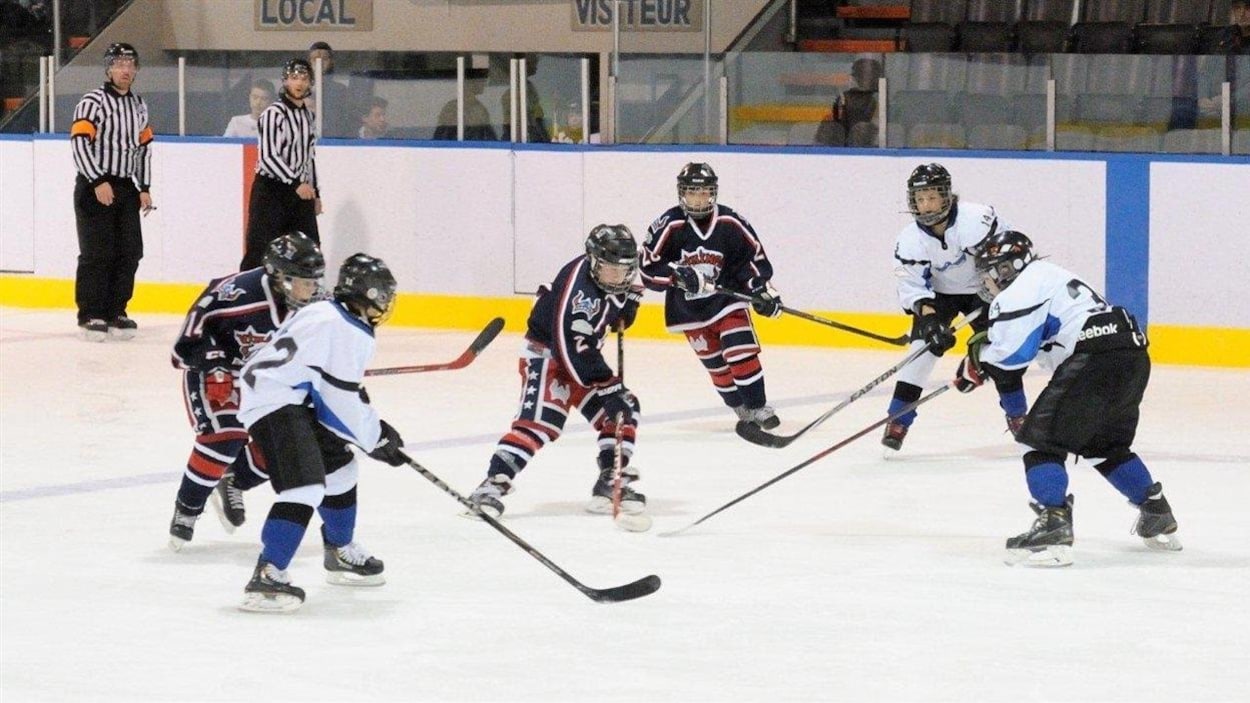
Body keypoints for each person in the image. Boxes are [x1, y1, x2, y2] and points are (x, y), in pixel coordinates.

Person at [954, 230, 1181, 567]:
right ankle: (1156, 512)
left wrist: (979, 360)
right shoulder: (1052, 276)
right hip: (1131, 354)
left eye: (991, 271)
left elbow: (1011, 357)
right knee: (1105, 446)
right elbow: (1034, 345)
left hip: (1095, 358)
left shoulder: (1019, 290)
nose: (987, 281)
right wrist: (985, 357)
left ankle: (1053, 527)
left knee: (1040, 444)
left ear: (1009, 268)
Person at [237, 253, 406, 612]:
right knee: (305, 487)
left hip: (287, 394)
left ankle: (339, 551)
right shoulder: (349, 330)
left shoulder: (325, 311)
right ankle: (268, 574)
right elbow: (337, 402)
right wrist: (376, 437)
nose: (387, 302)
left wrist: (368, 429)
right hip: (275, 400)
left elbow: (332, 394)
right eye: (383, 294)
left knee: (341, 469)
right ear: (369, 295)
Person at [467, 225, 643, 519]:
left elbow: (644, 273)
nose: (617, 278)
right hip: (549, 357)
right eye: (610, 271)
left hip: (584, 360)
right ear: (593, 261)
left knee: (624, 410)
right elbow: (570, 349)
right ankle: (490, 486)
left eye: (623, 272)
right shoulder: (579, 293)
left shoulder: (616, 273)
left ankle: (610, 480)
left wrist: (630, 301)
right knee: (541, 423)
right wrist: (608, 386)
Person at [166, 232, 325, 551]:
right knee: (227, 435)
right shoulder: (234, 294)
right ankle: (187, 507)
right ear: (278, 276)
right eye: (302, 281)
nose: (310, 290)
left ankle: (234, 480)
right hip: (217, 371)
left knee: (291, 443)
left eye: (314, 281)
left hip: (266, 378)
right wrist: (215, 363)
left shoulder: (318, 306)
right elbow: (183, 347)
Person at [881, 163, 1026, 454]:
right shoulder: (909, 239)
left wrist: (997, 286)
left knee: (1000, 354)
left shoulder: (978, 219)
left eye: (932, 197)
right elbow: (913, 288)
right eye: (920, 199)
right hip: (940, 296)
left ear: (947, 195)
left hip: (984, 292)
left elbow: (1010, 251)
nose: (926, 205)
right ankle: (898, 421)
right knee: (920, 355)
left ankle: (1019, 417)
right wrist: (931, 322)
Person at [639, 162, 784, 429]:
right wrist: (677, 275)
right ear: (682, 193)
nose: (699, 198)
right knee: (717, 367)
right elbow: (648, 269)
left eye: (705, 192)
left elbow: (750, 261)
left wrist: (761, 291)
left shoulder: (730, 221)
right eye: (693, 192)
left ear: (713, 193)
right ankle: (740, 408)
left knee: (740, 350)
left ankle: (758, 406)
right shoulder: (669, 224)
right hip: (687, 310)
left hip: (727, 300)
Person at [69, 42, 154, 342]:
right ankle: (91, 313)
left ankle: (116, 310)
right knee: (97, 252)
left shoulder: (138, 105)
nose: (126, 70)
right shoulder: (92, 101)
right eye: (119, 64)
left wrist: (144, 186)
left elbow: (143, 150)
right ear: (108, 68)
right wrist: (96, 181)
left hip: (125, 187)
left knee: (130, 250)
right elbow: (79, 143)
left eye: (131, 64)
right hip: (95, 186)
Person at [240, 58, 320, 271]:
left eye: (304, 78)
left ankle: (304, 299)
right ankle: (246, 294)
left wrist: (316, 193)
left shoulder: (307, 117)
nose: (299, 83)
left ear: (311, 83)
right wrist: (296, 183)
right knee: (260, 251)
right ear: (285, 81)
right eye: (294, 78)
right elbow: (269, 158)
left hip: (300, 192)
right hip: (271, 192)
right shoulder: (272, 114)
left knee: (309, 250)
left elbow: (309, 157)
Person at [307, 40, 354, 138]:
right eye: (315, 59)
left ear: (331, 61)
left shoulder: (340, 90)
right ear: (309, 62)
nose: (319, 62)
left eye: (324, 59)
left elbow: (346, 120)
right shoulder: (299, 90)